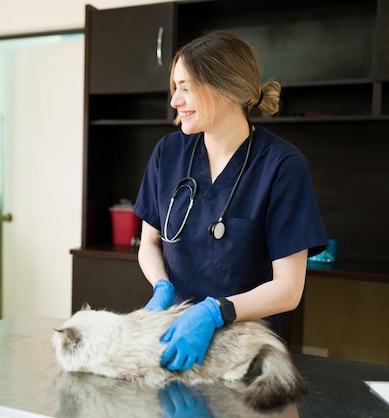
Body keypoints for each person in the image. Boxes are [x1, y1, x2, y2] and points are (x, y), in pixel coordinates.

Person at [134, 32, 328, 372]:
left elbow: (288, 289)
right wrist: (161, 284)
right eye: (174, 88)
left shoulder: (282, 166)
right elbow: (149, 241)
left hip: (246, 352)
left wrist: (214, 312)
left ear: (226, 89)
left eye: (185, 87)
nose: (174, 101)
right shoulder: (168, 153)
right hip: (175, 338)